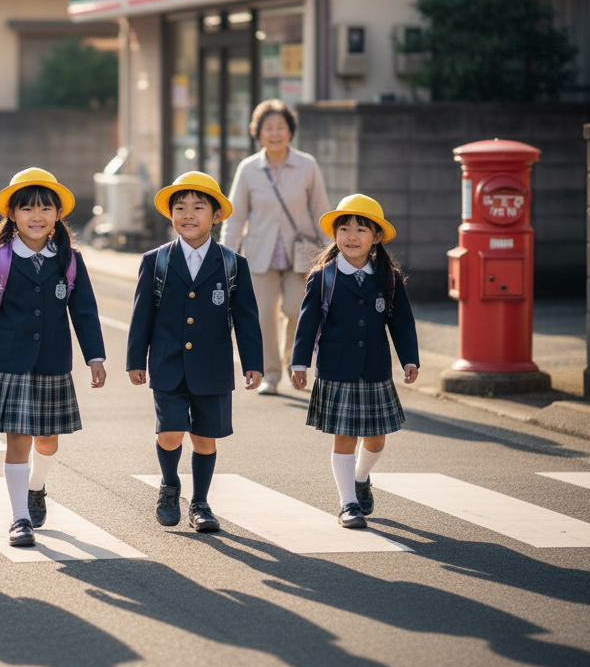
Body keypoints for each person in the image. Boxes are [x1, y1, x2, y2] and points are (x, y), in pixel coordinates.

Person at [0, 168, 106, 548]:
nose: (37, 216)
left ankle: (36, 487)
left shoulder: (70, 260)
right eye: (27, 209)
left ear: (58, 214)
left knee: (48, 441)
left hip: (54, 360)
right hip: (10, 361)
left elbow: (85, 312)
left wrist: (95, 357)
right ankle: (19, 518)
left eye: (45, 208)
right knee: (18, 441)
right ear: (13, 215)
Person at [126, 172, 263, 533]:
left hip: (213, 367)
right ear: (171, 214)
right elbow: (142, 315)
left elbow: (246, 318)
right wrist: (135, 361)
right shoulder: (155, 261)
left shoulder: (233, 264)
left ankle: (200, 503)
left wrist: (253, 363)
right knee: (170, 431)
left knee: (204, 438)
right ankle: (170, 486)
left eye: (198, 207)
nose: (188, 214)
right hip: (168, 363)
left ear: (216, 216)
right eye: (180, 207)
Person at [289, 194, 419, 528]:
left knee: (376, 438)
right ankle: (348, 503)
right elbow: (307, 323)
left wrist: (409, 359)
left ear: (376, 237)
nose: (351, 235)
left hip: (375, 369)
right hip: (336, 367)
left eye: (361, 229)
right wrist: (299, 363)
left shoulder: (388, 277)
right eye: (344, 228)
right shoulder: (324, 277)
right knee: (344, 437)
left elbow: (401, 322)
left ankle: (361, 478)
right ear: (335, 235)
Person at [221, 99, 330, 395]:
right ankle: (271, 374)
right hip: (259, 253)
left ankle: (292, 362)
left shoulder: (308, 166)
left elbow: (322, 210)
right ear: (258, 132)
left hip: (302, 254)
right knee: (264, 313)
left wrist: (334, 251)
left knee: (296, 310)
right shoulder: (248, 169)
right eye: (268, 128)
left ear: (290, 131)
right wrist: (223, 255)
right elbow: (236, 216)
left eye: (280, 127)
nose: (275, 133)